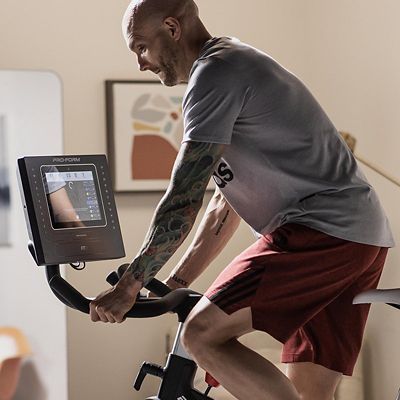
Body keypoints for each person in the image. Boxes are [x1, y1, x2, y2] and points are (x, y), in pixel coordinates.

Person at [89, 1, 394, 399]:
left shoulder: (215, 74)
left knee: (201, 335)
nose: (141, 64)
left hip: (318, 232)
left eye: (142, 48)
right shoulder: (232, 62)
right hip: (361, 238)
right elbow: (221, 206)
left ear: (171, 27)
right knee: (309, 392)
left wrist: (130, 283)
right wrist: (173, 284)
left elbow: (184, 195)